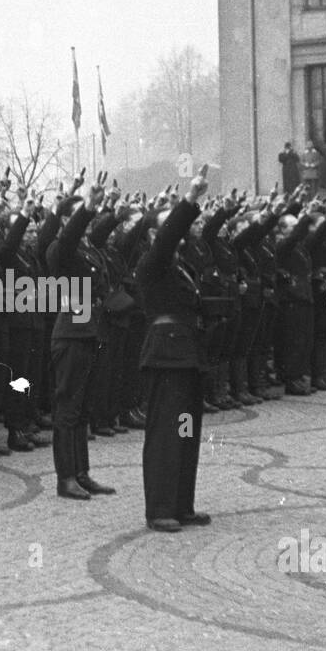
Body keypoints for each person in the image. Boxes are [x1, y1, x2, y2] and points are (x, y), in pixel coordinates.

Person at [135, 171, 212, 533]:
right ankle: (159, 508)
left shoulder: (181, 268)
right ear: (154, 235)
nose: (180, 236)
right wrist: (189, 200)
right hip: (165, 356)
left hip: (186, 355)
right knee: (166, 432)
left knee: (185, 432)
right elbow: (168, 239)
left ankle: (182, 504)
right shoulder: (151, 263)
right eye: (171, 229)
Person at [45, 173, 115, 500]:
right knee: (67, 407)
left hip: (88, 329)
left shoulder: (87, 249)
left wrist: (106, 208)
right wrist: (86, 207)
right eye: (80, 220)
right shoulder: (60, 248)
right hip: (71, 332)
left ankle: (82, 472)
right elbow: (71, 236)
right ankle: (65, 477)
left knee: (82, 408)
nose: (87, 225)